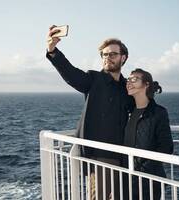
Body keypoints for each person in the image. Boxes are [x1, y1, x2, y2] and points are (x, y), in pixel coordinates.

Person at [46, 25, 133, 200]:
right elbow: (70, 73)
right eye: (105, 54)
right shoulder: (93, 79)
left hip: (125, 155)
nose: (108, 57)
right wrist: (53, 51)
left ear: (123, 58)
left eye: (113, 54)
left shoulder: (126, 87)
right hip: (99, 155)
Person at [122, 68, 174, 200]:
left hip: (148, 179)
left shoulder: (158, 113)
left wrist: (142, 169)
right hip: (126, 177)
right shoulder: (128, 112)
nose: (129, 82)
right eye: (128, 80)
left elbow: (166, 147)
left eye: (134, 79)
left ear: (146, 84)